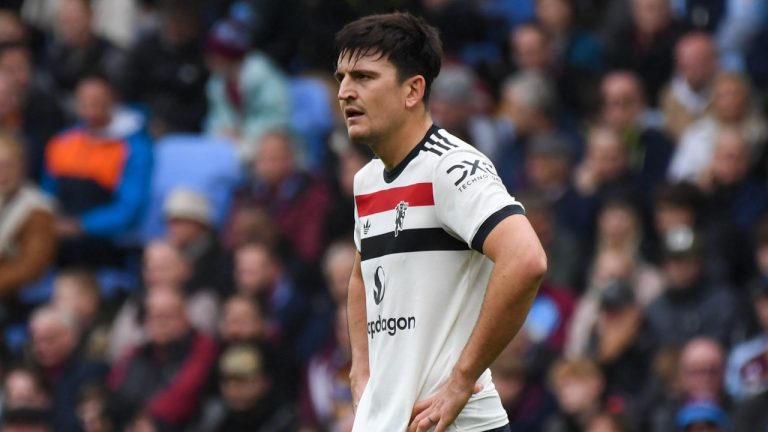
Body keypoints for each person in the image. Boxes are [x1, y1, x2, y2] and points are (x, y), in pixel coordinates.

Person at [335, 12, 547, 432]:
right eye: (341, 76)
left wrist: (461, 381)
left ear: (413, 89)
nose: (344, 92)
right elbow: (362, 275)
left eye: (363, 77)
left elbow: (525, 260)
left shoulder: (451, 166)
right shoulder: (367, 180)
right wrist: (361, 369)